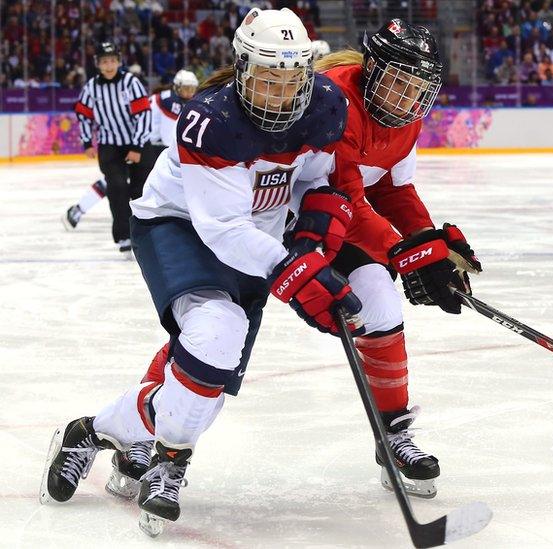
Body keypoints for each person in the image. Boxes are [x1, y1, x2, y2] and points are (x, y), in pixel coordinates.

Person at [39, 7, 377, 536]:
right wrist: (297, 271)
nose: (282, 94)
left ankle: (93, 432)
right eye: (268, 78)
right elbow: (220, 227)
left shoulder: (325, 106)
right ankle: (170, 462)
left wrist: (312, 245)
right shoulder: (212, 121)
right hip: (178, 227)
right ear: (242, 68)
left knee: (208, 379)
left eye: (292, 79)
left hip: (256, 237)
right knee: (218, 331)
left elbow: (317, 183)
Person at [307, 19, 482, 499]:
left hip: (340, 223)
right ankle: (149, 433)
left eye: (416, 90)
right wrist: (410, 254)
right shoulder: (333, 102)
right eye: (397, 83)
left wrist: (429, 242)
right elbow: (345, 193)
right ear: (372, 71)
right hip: (287, 223)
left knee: (383, 304)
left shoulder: (406, 120)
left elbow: (394, 188)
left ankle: (393, 434)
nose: (406, 99)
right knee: (217, 325)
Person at [63, 70, 199, 232]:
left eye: (192, 88)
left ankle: (79, 209)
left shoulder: (167, 97)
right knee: (118, 182)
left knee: (116, 181)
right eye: (186, 88)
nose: (189, 92)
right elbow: (169, 137)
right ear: (177, 87)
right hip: (145, 146)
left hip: (142, 144)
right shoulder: (172, 103)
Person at [68, 42, 152, 254]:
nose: (109, 65)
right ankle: (124, 236)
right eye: (104, 61)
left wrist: (137, 145)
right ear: (97, 63)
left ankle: (144, 233)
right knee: (116, 188)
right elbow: (84, 115)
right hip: (109, 145)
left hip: (136, 143)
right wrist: (87, 142)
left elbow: (143, 113)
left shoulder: (131, 82)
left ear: (119, 61)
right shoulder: (91, 87)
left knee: (140, 191)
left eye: (113, 60)